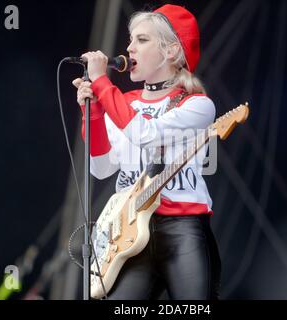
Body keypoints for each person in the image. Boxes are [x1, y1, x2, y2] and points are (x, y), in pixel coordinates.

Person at [72, 4, 221, 300]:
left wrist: (102, 83)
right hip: (130, 235)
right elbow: (100, 168)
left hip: (183, 229)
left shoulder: (197, 105)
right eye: (131, 39)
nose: (129, 49)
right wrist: (94, 114)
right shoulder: (125, 102)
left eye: (141, 40)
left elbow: (146, 135)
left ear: (171, 51)